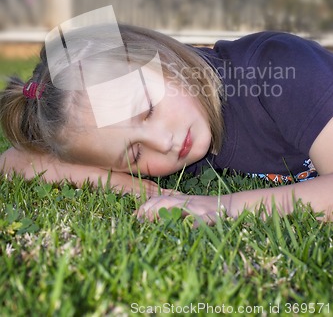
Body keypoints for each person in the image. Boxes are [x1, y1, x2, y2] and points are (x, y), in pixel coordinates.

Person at [1, 19, 333, 224]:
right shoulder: (181, 127)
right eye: (134, 155)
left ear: (164, 57)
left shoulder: (280, 69)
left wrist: (224, 207)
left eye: (147, 110)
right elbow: (13, 161)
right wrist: (123, 184)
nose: (163, 143)